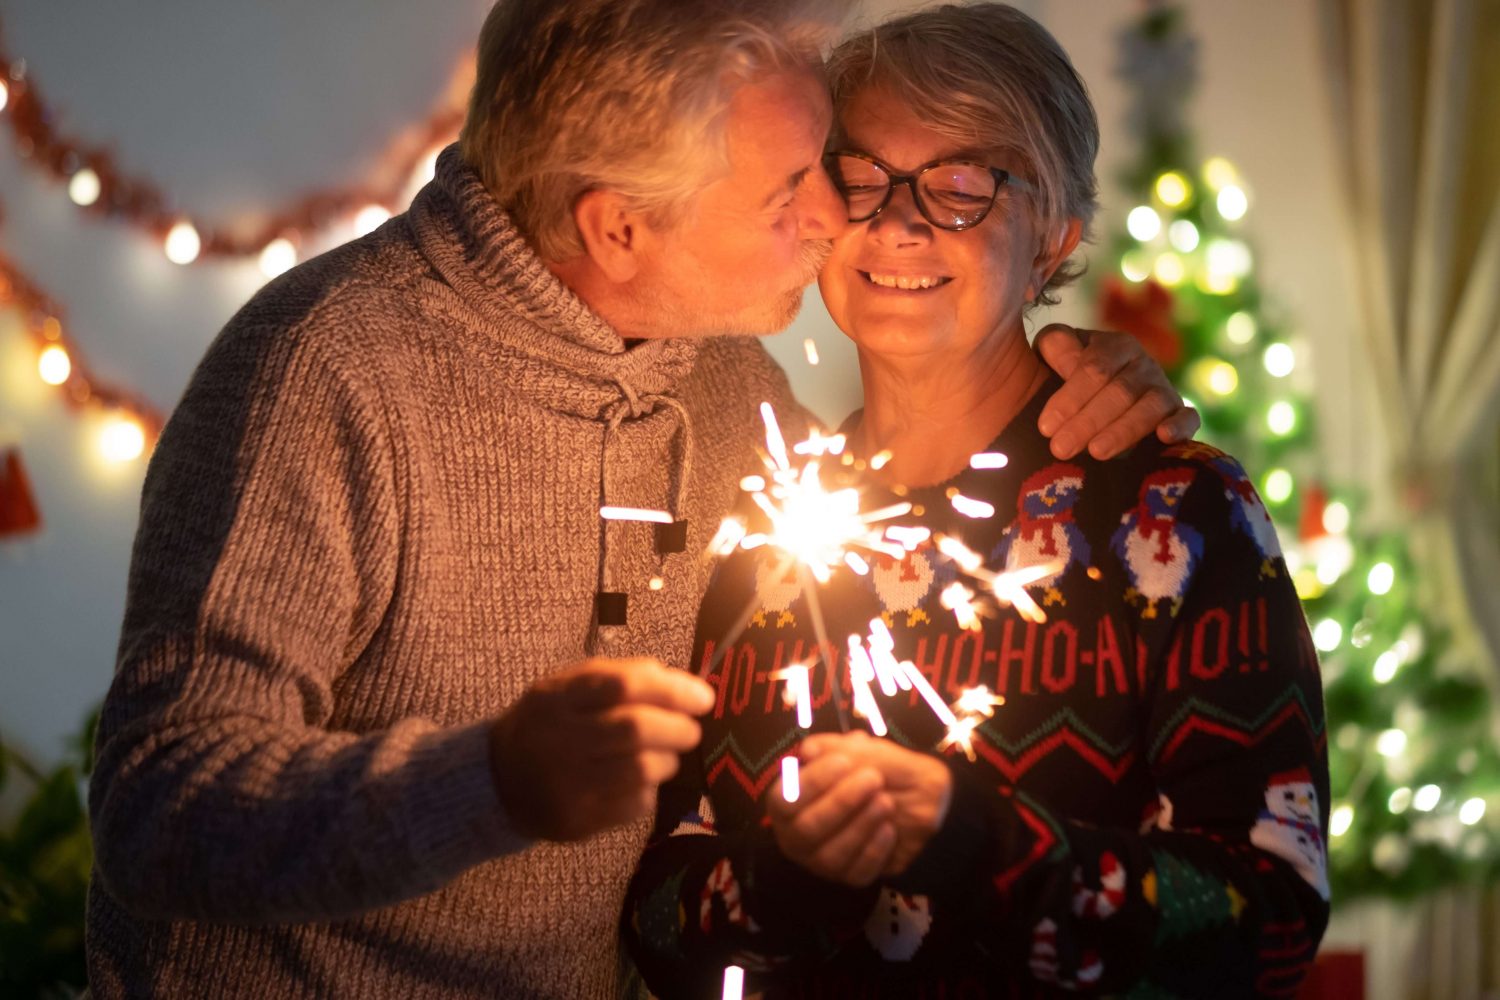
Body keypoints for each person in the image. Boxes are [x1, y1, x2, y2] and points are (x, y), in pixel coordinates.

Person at [85, 2, 1199, 998]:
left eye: (826, 163)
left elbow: (912, 489)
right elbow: (157, 806)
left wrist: (1082, 371)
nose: (833, 218)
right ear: (617, 226)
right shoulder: (324, 373)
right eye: (788, 188)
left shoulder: (720, 380)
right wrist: (494, 781)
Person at [623, 4, 1330, 998]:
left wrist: (979, 840)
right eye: (862, 174)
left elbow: (1274, 915)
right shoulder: (768, 526)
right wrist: (787, 872)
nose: (902, 221)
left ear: (1054, 233)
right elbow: (657, 912)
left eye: (963, 182)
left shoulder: (1173, 508)